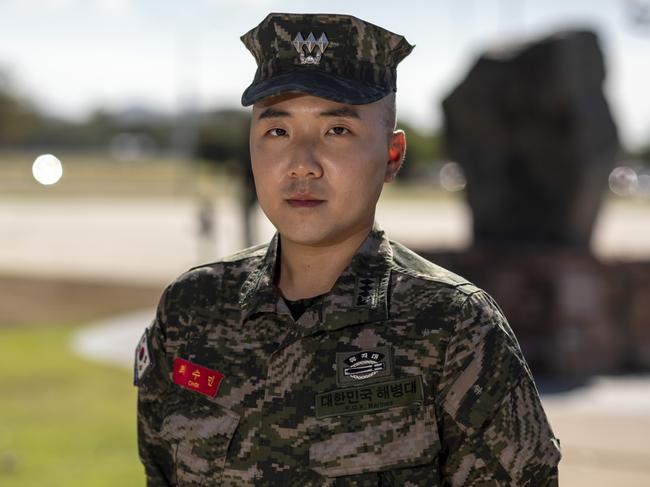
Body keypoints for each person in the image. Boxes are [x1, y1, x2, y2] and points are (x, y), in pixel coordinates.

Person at [134, 12, 562, 486]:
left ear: (391, 156)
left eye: (337, 130)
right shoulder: (191, 309)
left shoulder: (452, 328)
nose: (302, 164)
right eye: (277, 132)